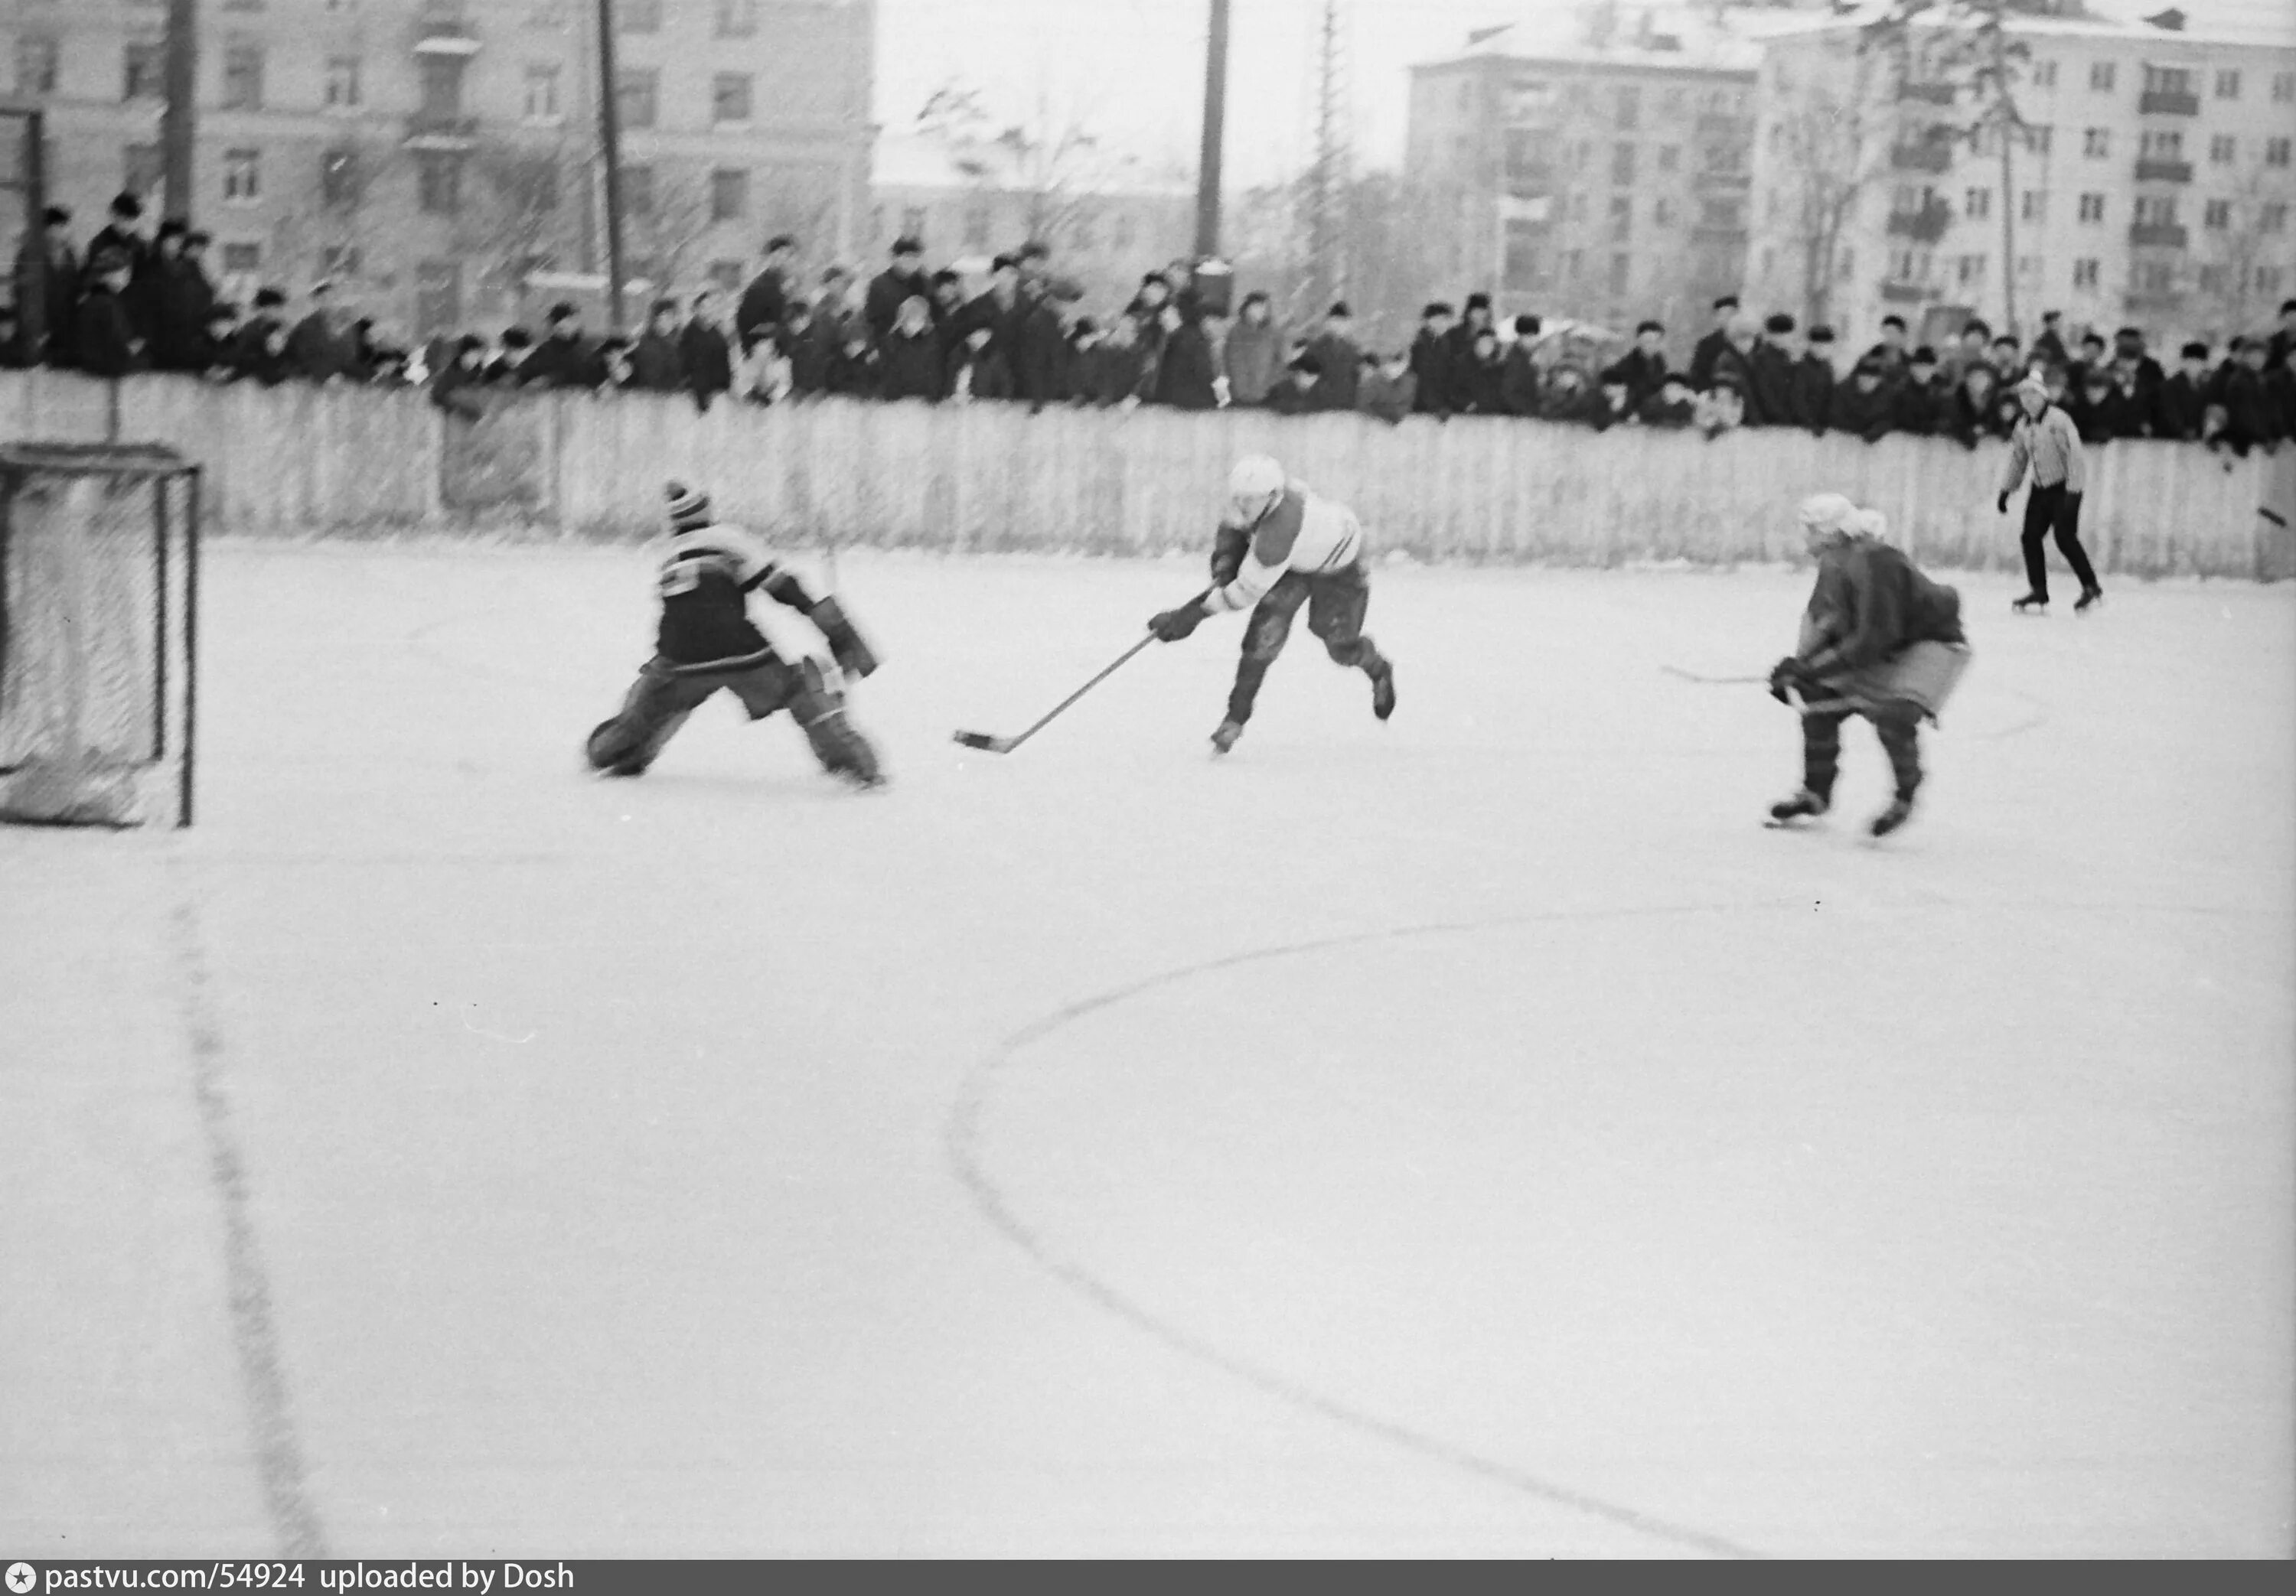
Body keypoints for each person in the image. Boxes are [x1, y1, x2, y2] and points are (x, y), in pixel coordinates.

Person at [585, 482, 885, 788]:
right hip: (739, 650)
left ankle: (611, 751)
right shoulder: (727, 538)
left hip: (678, 658)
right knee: (800, 688)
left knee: (644, 716)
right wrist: (835, 630)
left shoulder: (672, 554)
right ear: (706, 511)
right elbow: (782, 586)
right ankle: (854, 763)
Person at [1144, 454, 1396, 756]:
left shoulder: (1276, 540)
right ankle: (1234, 720)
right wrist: (1226, 560)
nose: (1242, 506)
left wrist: (1187, 617)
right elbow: (1232, 527)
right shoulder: (1265, 498)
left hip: (1340, 570)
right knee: (1263, 638)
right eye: (1238, 498)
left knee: (1337, 644)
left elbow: (1239, 596)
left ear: (1274, 496)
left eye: (1250, 500)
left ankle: (1378, 669)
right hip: (1296, 563)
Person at [1766, 495, 1971, 839]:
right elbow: (1825, 621)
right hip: (1880, 645)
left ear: (1828, 532)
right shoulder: (1835, 563)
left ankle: (1904, 796)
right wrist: (1797, 669)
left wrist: (1811, 669)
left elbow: (1875, 637)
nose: (1804, 537)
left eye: (1809, 529)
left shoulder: (1875, 560)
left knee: (1894, 714)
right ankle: (1815, 794)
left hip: (1929, 643)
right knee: (1816, 703)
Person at [1998, 370, 2101, 614]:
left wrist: (2074, 492)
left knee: (2065, 537)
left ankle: (2091, 586)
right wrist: (2007, 489)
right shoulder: (2023, 425)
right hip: (2040, 487)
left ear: (2044, 396)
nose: (2028, 400)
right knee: (2030, 537)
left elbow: (2075, 457)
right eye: (2024, 395)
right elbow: (2019, 459)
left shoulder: (2059, 421)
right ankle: (2038, 589)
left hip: (2063, 486)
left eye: (2033, 394)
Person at [735, 235, 797, 355]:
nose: (788, 260)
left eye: (790, 255)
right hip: (768, 356)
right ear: (771, 257)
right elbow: (748, 325)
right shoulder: (760, 287)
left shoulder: (787, 285)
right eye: (783, 254)